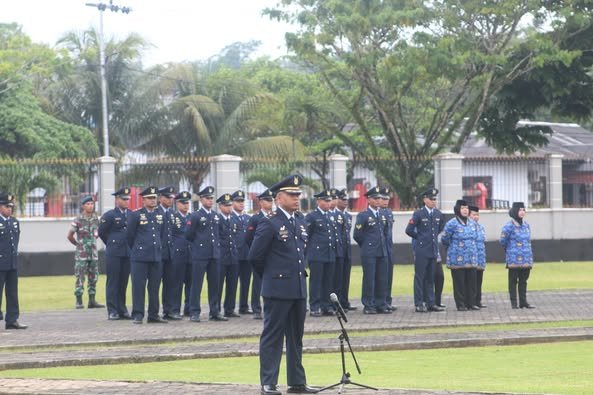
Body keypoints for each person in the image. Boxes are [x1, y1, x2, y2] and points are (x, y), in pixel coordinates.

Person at [248, 174, 318, 395]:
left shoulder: (300, 221)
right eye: (292, 194)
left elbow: (300, 254)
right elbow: (255, 257)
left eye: (298, 194)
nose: (297, 198)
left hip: (297, 288)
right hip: (277, 289)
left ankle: (297, 382)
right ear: (279, 197)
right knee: (273, 336)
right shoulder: (270, 223)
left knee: (296, 337)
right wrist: (271, 276)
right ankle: (268, 382)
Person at [185, 186, 227, 322]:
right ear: (201, 199)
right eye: (207, 198)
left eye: (211, 198)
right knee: (196, 284)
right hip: (200, 254)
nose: (210, 201)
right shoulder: (196, 215)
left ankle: (214, 311)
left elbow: (220, 233)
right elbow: (189, 235)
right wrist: (198, 245)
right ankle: (194, 312)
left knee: (214, 284)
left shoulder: (215, 216)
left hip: (214, 254)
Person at [127, 186, 167, 324]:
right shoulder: (135, 214)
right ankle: (138, 314)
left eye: (154, 198)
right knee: (138, 287)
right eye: (150, 198)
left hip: (156, 256)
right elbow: (129, 236)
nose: (153, 201)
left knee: (155, 287)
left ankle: (153, 314)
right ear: (143, 200)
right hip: (140, 257)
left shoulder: (160, 215)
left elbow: (162, 234)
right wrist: (138, 249)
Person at [405, 188, 445, 313]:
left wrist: (430, 239)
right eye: (431, 199)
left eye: (435, 199)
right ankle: (419, 303)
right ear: (425, 200)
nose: (434, 201)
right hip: (422, 250)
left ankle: (431, 303)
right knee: (420, 277)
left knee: (430, 278)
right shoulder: (419, 214)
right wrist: (421, 238)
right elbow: (409, 230)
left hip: (433, 250)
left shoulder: (438, 214)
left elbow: (439, 229)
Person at [353, 186, 390, 314]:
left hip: (381, 251)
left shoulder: (383, 215)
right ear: (369, 200)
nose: (379, 200)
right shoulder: (363, 215)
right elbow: (357, 235)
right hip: (369, 252)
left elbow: (385, 233)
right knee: (369, 279)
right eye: (376, 198)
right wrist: (367, 246)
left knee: (382, 278)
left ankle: (381, 303)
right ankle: (369, 305)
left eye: (380, 198)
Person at [98, 187, 131, 320]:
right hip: (114, 252)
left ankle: (122, 309)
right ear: (117, 200)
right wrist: (111, 243)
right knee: (113, 281)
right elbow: (102, 232)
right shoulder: (110, 215)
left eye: (127, 199)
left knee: (123, 282)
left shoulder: (131, 214)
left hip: (127, 252)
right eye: (124, 199)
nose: (126, 202)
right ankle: (112, 310)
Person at [441, 199, 479, 311]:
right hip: (457, 258)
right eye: (463, 208)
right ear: (458, 209)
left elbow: (475, 238)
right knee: (459, 283)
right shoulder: (451, 223)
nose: (465, 210)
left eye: (466, 208)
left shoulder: (472, 223)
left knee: (471, 283)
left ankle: (471, 303)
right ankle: (461, 304)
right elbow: (445, 239)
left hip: (471, 258)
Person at [67, 195, 104, 309]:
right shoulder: (78, 219)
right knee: (80, 277)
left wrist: (91, 242)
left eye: (92, 204)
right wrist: (79, 245)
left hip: (93, 253)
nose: (90, 206)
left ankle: (92, 301)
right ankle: (79, 301)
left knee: (93, 277)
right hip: (81, 254)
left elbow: (98, 234)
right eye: (88, 204)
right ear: (83, 206)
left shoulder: (96, 219)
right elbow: (70, 236)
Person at [245, 188, 275, 320]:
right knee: (257, 283)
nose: (270, 203)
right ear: (261, 202)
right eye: (267, 200)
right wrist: (257, 251)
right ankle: (256, 308)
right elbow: (248, 238)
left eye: (271, 200)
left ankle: (271, 307)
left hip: (272, 255)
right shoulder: (255, 218)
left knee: (273, 282)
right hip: (260, 256)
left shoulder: (275, 217)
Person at [305, 189, 336, 317]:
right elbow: (307, 235)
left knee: (328, 281)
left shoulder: (330, 216)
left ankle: (326, 306)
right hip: (317, 254)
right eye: (326, 200)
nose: (329, 203)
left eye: (329, 201)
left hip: (329, 253)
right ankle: (314, 306)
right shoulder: (312, 216)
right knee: (316, 281)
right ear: (318, 201)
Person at [500, 202, 535, 309]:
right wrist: (511, 251)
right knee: (513, 281)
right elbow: (503, 241)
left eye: (524, 210)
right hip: (514, 259)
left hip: (526, 259)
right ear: (515, 211)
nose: (522, 212)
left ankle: (523, 302)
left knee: (523, 281)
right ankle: (514, 302)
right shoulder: (508, 226)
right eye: (520, 210)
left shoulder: (526, 225)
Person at [0, 193, 27, 330]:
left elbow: (15, 242)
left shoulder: (14, 222)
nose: (9, 209)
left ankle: (12, 319)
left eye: (11, 206)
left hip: (12, 263)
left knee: (12, 293)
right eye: (6, 206)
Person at [157, 186, 179, 320]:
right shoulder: (156, 212)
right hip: (158, 253)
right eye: (167, 197)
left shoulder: (172, 214)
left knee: (170, 283)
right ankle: (154, 311)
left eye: (171, 198)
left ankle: (168, 310)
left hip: (170, 253)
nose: (170, 200)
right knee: (155, 284)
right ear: (161, 198)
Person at [217, 193, 240, 318]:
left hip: (233, 256)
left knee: (232, 284)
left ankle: (229, 309)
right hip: (221, 257)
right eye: (226, 205)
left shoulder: (233, 220)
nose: (229, 208)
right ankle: (216, 310)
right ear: (220, 207)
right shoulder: (217, 219)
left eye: (230, 205)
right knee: (218, 285)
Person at [230, 190, 252, 315]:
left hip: (246, 254)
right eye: (238, 201)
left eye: (242, 201)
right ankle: (231, 307)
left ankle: (243, 306)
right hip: (235, 254)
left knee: (246, 282)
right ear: (232, 203)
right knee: (233, 282)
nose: (241, 204)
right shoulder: (230, 217)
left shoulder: (247, 218)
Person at [171, 191, 192, 317]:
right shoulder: (173, 217)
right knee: (176, 284)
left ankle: (189, 308)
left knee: (191, 284)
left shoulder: (192, 217)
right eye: (183, 203)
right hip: (178, 255)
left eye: (187, 203)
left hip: (191, 254)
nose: (185, 205)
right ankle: (175, 309)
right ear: (177, 203)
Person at [335, 189, 354, 311]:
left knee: (346, 278)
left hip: (347, 251)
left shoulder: (348, 216)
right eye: (343, 200)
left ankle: (344, 301)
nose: (345, 202)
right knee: (337, 279)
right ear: (337, 200)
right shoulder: (334, 215)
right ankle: (338, 304)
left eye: (346, 200)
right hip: (338, 251)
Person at [379, 187, 397, 311]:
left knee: (389, 275)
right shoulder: (377, 213)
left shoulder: (389, 212)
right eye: (383, 199)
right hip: (380, 249)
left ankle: (387, 300)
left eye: (387, 199)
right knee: (382, 276)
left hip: (389, 248)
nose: (386, 201)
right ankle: (381, 301)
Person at [469, 205, 487, 308]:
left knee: (479, 281)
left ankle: (478, 301)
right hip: (471, 258)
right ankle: (471, 301)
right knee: (472, 282)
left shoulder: (481, 227)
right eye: (473, 214)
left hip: (480, 258)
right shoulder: (468, 227)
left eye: (477, 215)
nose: (476, 217)